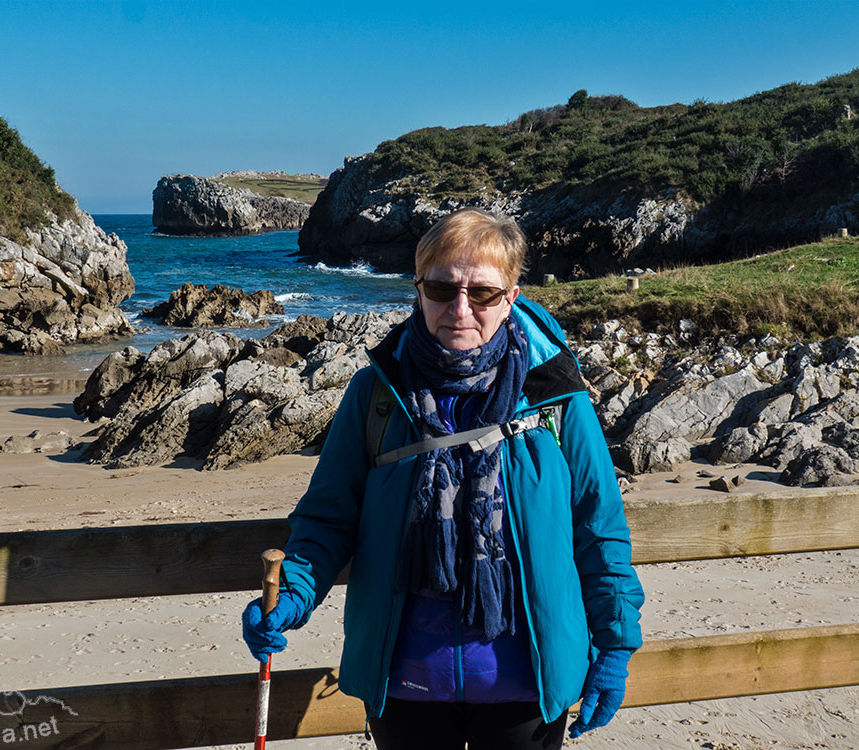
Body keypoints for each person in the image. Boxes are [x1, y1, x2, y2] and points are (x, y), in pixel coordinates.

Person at [242, 208, 644, 750]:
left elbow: (599, 531)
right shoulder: (375, 395)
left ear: (511, 298)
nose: (460, 308)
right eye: (441, 287)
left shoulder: (557, 399)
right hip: (405, 685)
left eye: (482, 293)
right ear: (418, 290)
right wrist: (292, 593)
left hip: (528, 688)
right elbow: (329, 517)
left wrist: (614, 649)